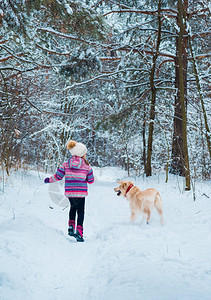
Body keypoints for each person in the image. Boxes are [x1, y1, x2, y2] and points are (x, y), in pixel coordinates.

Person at [44, 140, 94, 242]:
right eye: (85, 152)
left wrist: (49, 180)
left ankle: (71, 225)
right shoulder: (87, 166)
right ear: (81, 153)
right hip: (81, 193)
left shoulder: (66, 164)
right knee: (80, 211)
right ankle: (79, 232)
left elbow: (58, 176)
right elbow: (91, 180)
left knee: (72, 208)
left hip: (70, 192)